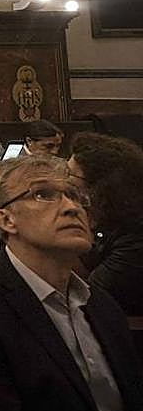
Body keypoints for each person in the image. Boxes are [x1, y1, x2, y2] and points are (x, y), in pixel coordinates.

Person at [0, 155, 143, 411]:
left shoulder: (101, 304)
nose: (72, 207)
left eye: (76, 196)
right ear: (6, 219)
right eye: (43, 194)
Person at [68, 133, 143, 316]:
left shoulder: (135, 234)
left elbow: (92, 296)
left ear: (99, 187)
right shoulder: (106, 213)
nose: (64, 181)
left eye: (70, 174)